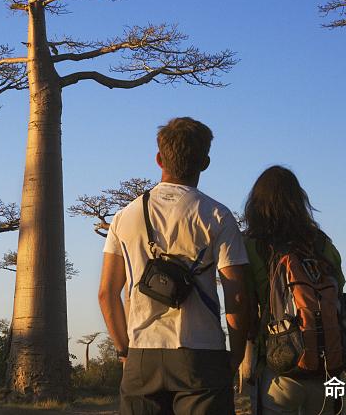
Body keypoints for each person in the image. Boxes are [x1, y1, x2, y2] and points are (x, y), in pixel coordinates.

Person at [99, 117, 251, 415]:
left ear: (159, 159)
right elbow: (237, 295)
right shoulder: (217, 215)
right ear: (205, 162)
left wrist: (125, 352)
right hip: (201, 354)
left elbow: (106, 293)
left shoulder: (124, 217)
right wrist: (236, 356)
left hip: (142, 354)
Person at [240, 165, 346, 415]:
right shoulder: (322, 244)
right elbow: (338, 290)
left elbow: (244, 308)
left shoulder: (251, 245)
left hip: (277, 369)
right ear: (300, 201)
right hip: (327, 369)